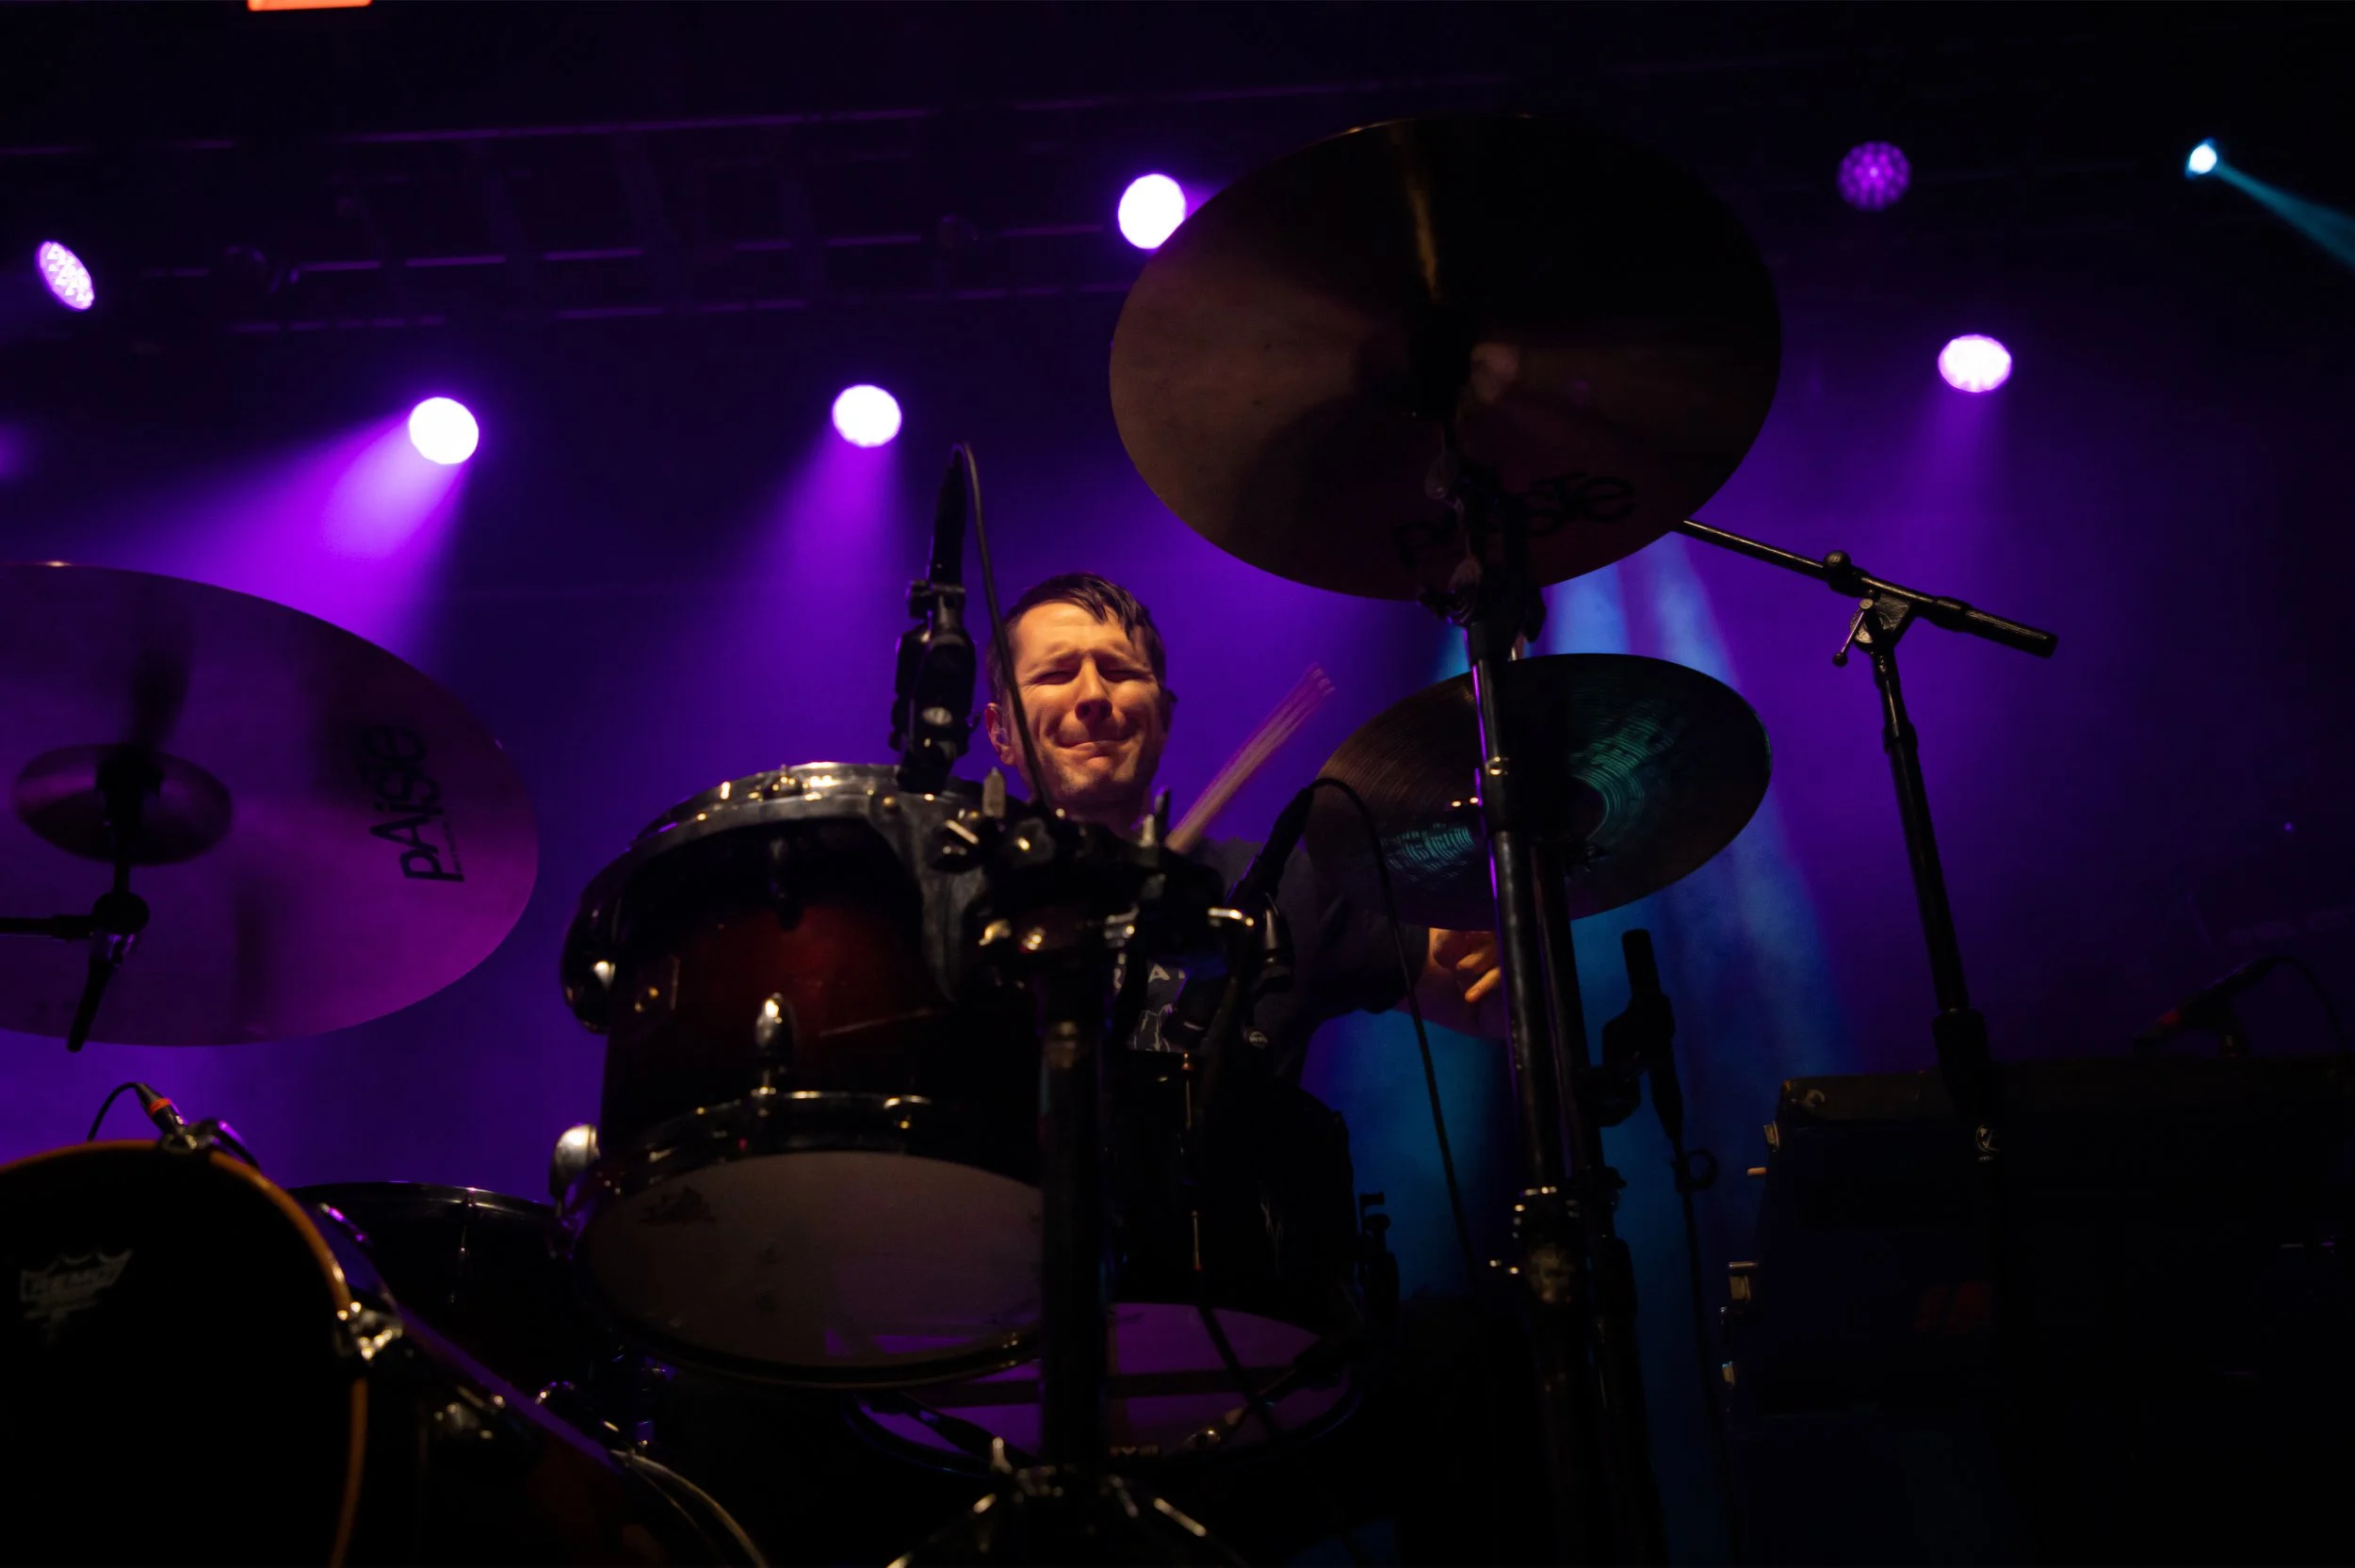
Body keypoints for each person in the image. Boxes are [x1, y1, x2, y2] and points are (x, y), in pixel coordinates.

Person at [979, 571, 1507, 1062]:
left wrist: (1501, 961)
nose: (1093, 694)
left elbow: (1484, 1003)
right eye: (1056, 673)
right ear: (1000, 731)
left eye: (1118, 671)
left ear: (1163, 716)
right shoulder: (958, 897)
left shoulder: (1281, 888)